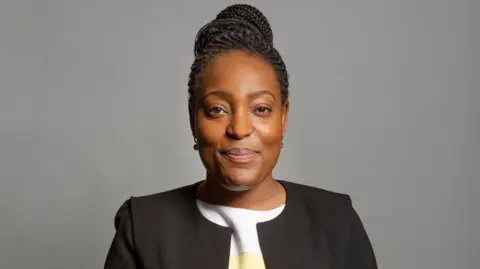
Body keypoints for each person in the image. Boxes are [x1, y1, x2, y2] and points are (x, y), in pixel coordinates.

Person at [104, 4, 377, 269]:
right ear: (192, 119)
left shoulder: (337, 222)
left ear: (283, 118)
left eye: (261, 109)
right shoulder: (143, 228)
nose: (240, 128)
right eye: (217, 109)